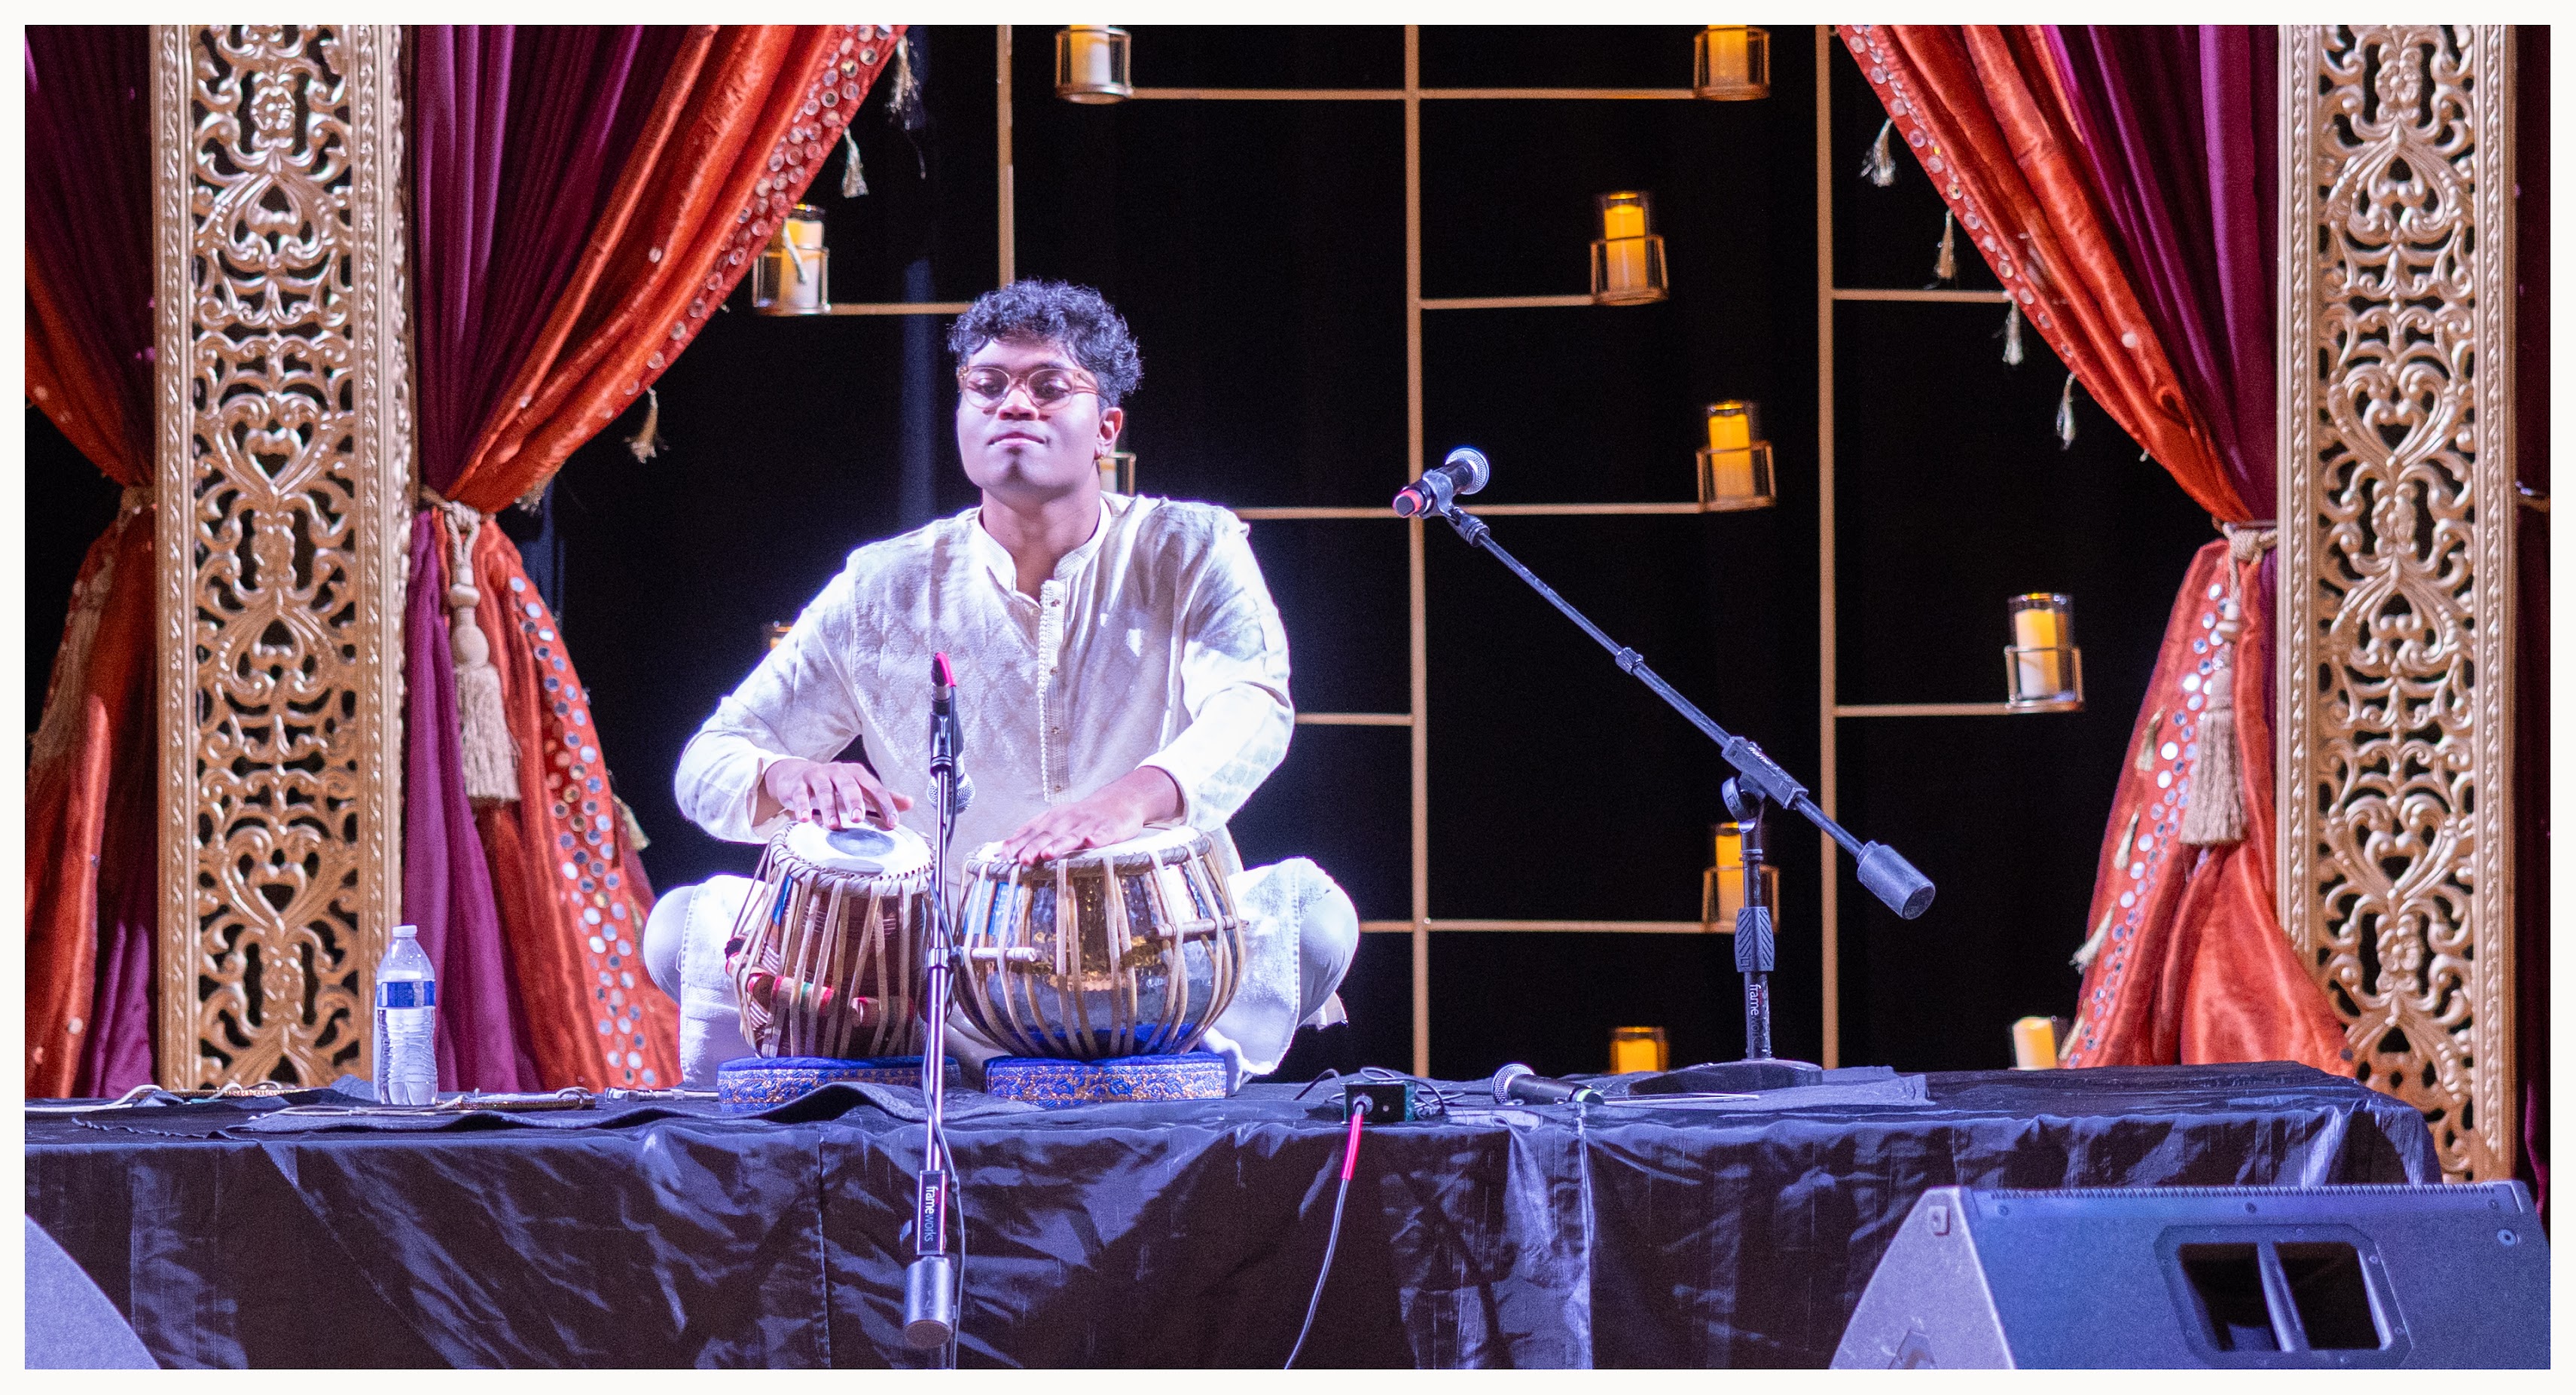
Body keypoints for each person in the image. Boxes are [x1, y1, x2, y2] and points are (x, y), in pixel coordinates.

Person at [648, 280, 1356, 1085]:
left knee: (1318, 925)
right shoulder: (885, 585)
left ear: (1107, 428)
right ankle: (942, 1062)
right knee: (678, 929)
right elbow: (708, 761)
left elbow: (1252, 709)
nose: (1014, 404)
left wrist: (1128, 801)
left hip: (1150, 952)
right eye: (987, 386)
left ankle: (1125, 1060)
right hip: (938, 972)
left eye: (1049, 386)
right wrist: (786, 776)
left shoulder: (1188, 547)